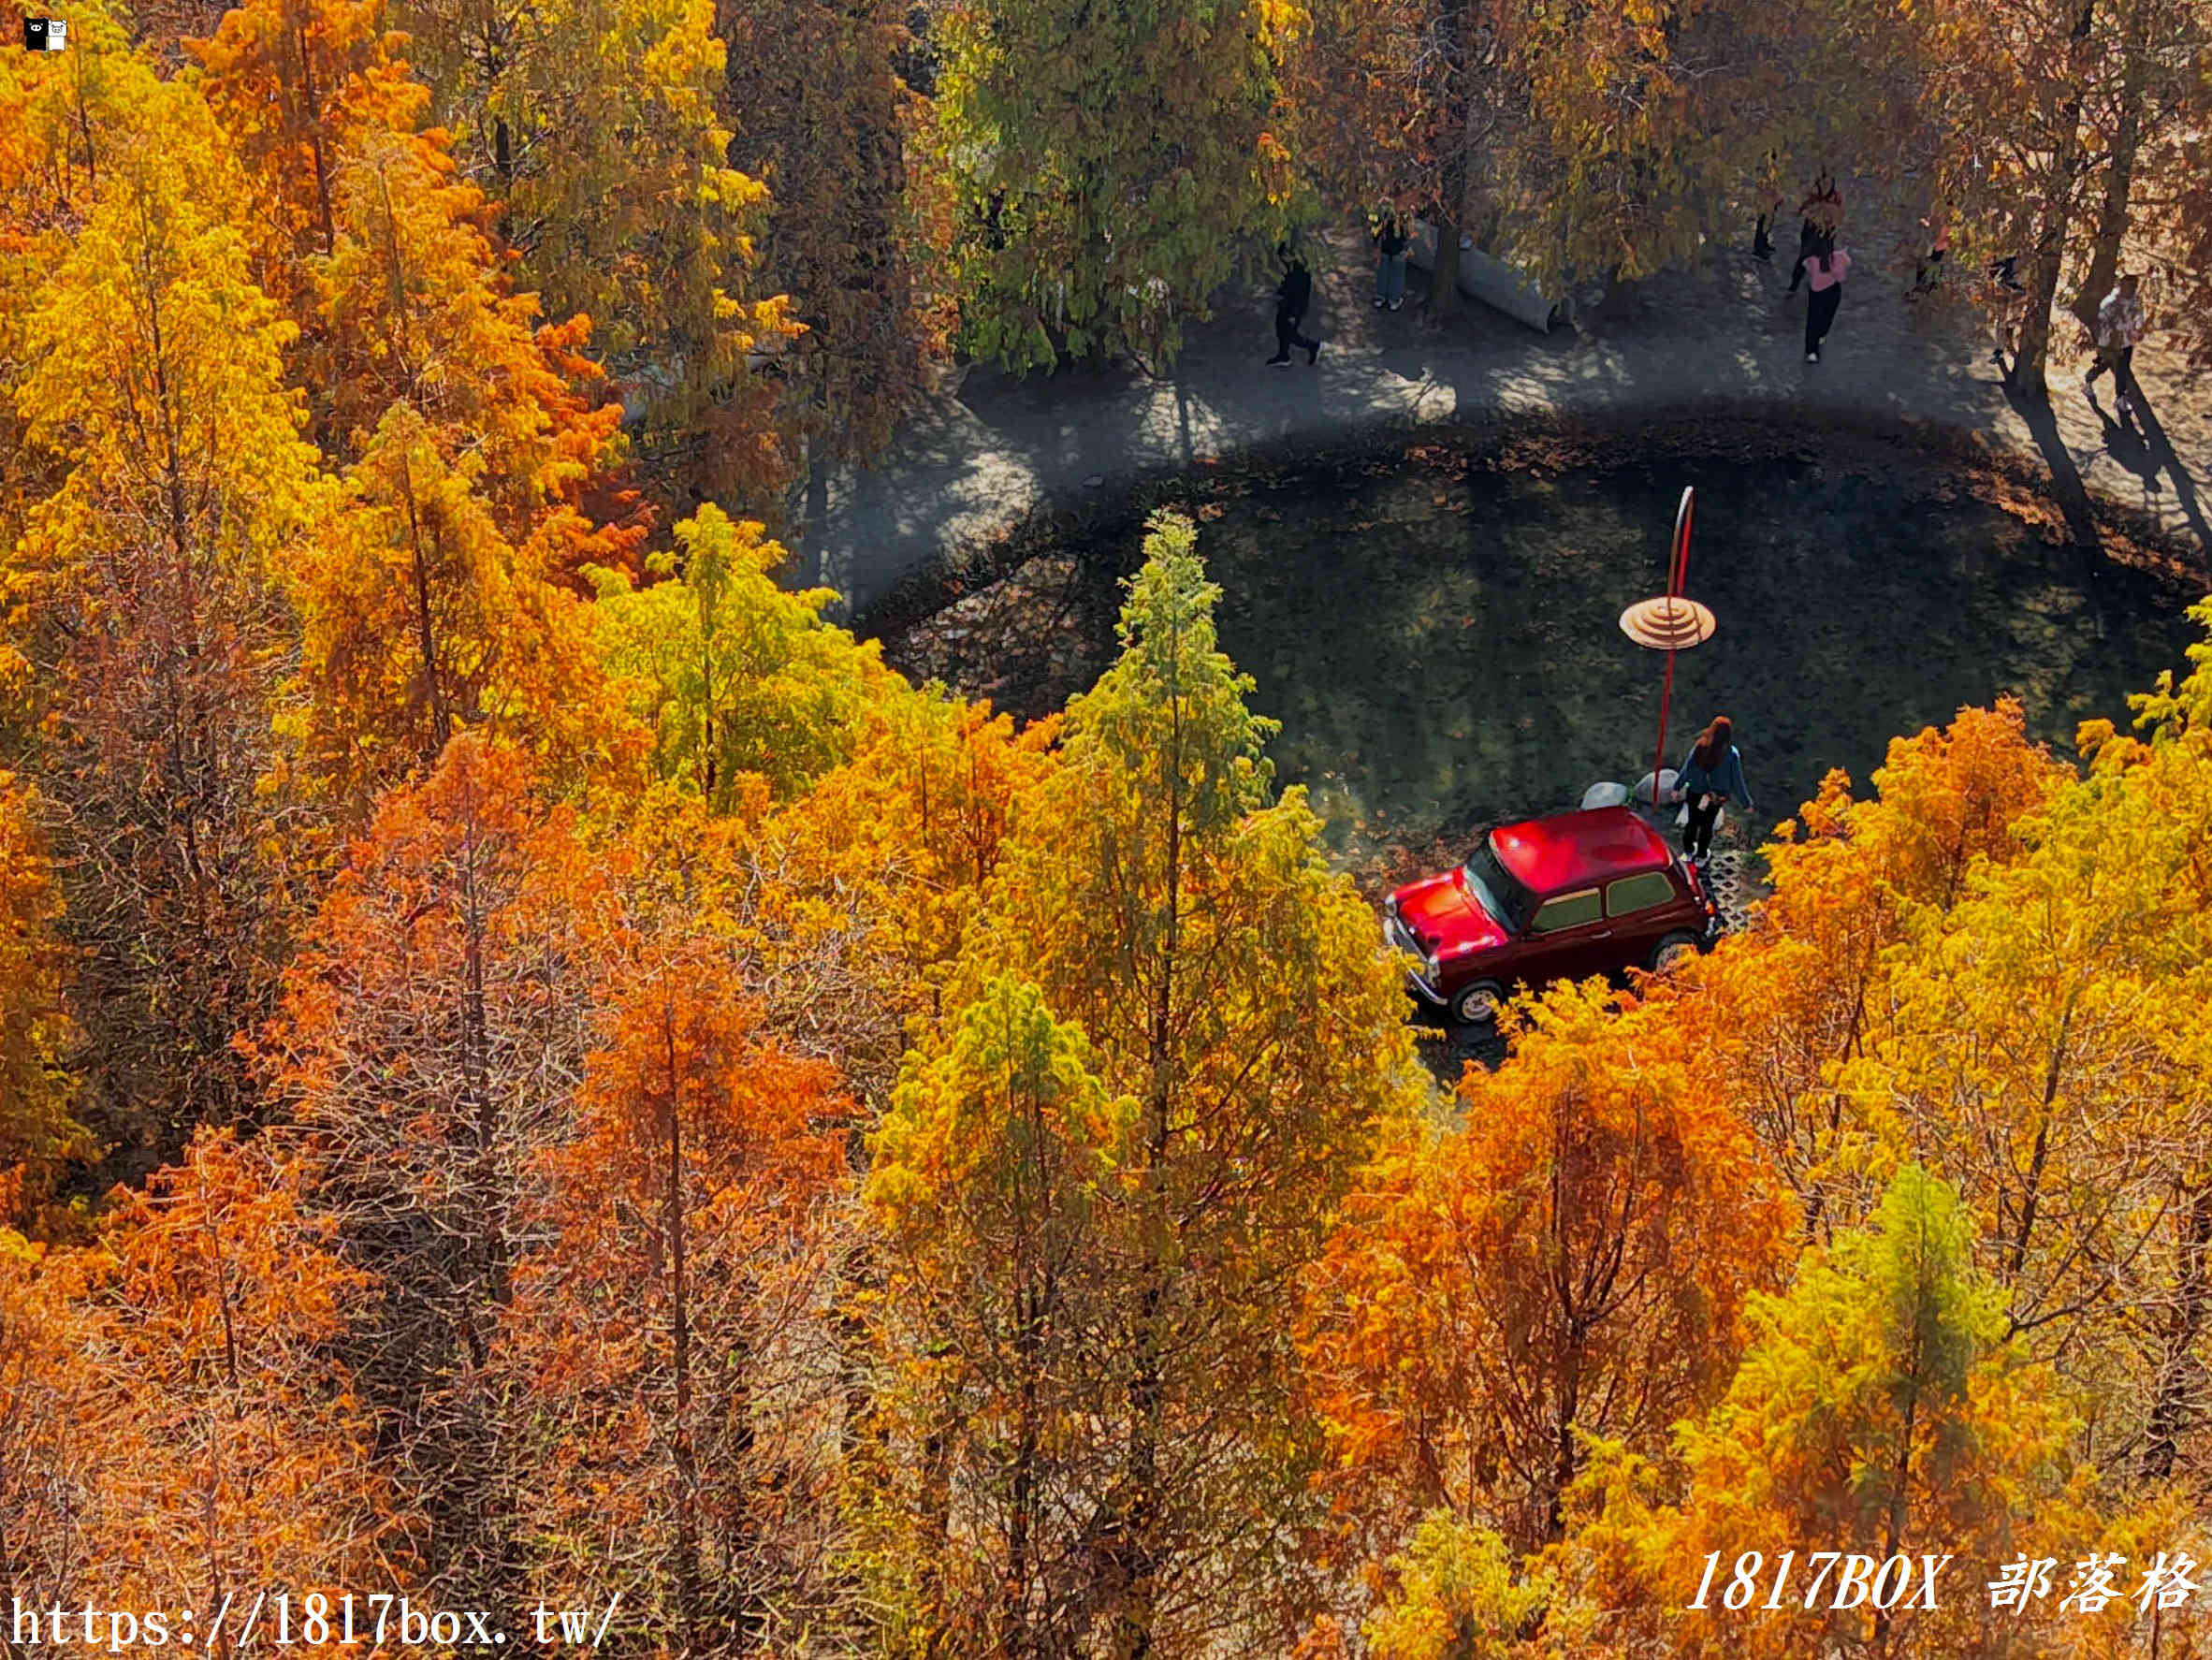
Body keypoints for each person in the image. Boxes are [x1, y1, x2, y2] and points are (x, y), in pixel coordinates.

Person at [1671, 716, 1754, 866]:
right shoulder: (1731, 754)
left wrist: (1677, 787)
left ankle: (1688, 852)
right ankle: (1702, 856)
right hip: (1716, 797)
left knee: (1692, 822)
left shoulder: (1699, 746)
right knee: (1707, 826)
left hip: (1695, 792)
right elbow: (1737, 781)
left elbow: (1687, 769)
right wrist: (1746, 803)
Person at [2086, 272, 2147, 423]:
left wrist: (2138, 329)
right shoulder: (2110, 303)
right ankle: (2088, 381)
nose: (2131, 289)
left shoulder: (2135, 301)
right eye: (2128, 286)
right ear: (2121, 286)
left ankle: (2120, 398)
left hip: (2126, 343)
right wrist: (2106, 341)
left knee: (2122, 369)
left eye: (2134, 286)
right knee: (2103, 366)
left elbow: (2138, 316)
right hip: (2109, 343)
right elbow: (2101, 322)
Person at [1786, 167, 1842, 294]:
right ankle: (1795, 283)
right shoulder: (1814, 195)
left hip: (1827, 233)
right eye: (1822, 180)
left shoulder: (1836, 197)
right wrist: (1804, 211)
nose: (1824, 183)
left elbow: (1839, 216)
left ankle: (1820, 284)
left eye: (1827, 180)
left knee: (1824, 257)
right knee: (1804, 256)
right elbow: (1802, 209)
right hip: (1811, 230)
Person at [1268, 249, 1321, 367]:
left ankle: (1311, 346)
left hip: (1293, 308)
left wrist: (1294, 314)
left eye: (1284, 256)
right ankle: (1283, 356)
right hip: (1286, 304)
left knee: (1290, 333)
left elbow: (1299, 294)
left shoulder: (1300, 271)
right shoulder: (1291, 267)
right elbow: (1286, 286)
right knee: (1281, 330)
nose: (1282, 259)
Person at [1803, 241, 1850, 361]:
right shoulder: (1838, 258)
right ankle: (1822, 334)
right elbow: (1841, 276)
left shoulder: (1812, 260)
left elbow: (1806, 266)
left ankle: (1811, 351)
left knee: (1813, 320)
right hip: (1833, 290)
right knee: (1828, 315)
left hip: (1816, 293)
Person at [1374, 210, 1411, 311]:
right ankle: (1393, 300)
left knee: (1383, 272)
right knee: (1397, 274)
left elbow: (1378, 231)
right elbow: (1407, 233)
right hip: (1398, 248)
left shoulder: (1385, 210)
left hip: (1385, 247)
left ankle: (1381, 297)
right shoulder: (1404, 213)